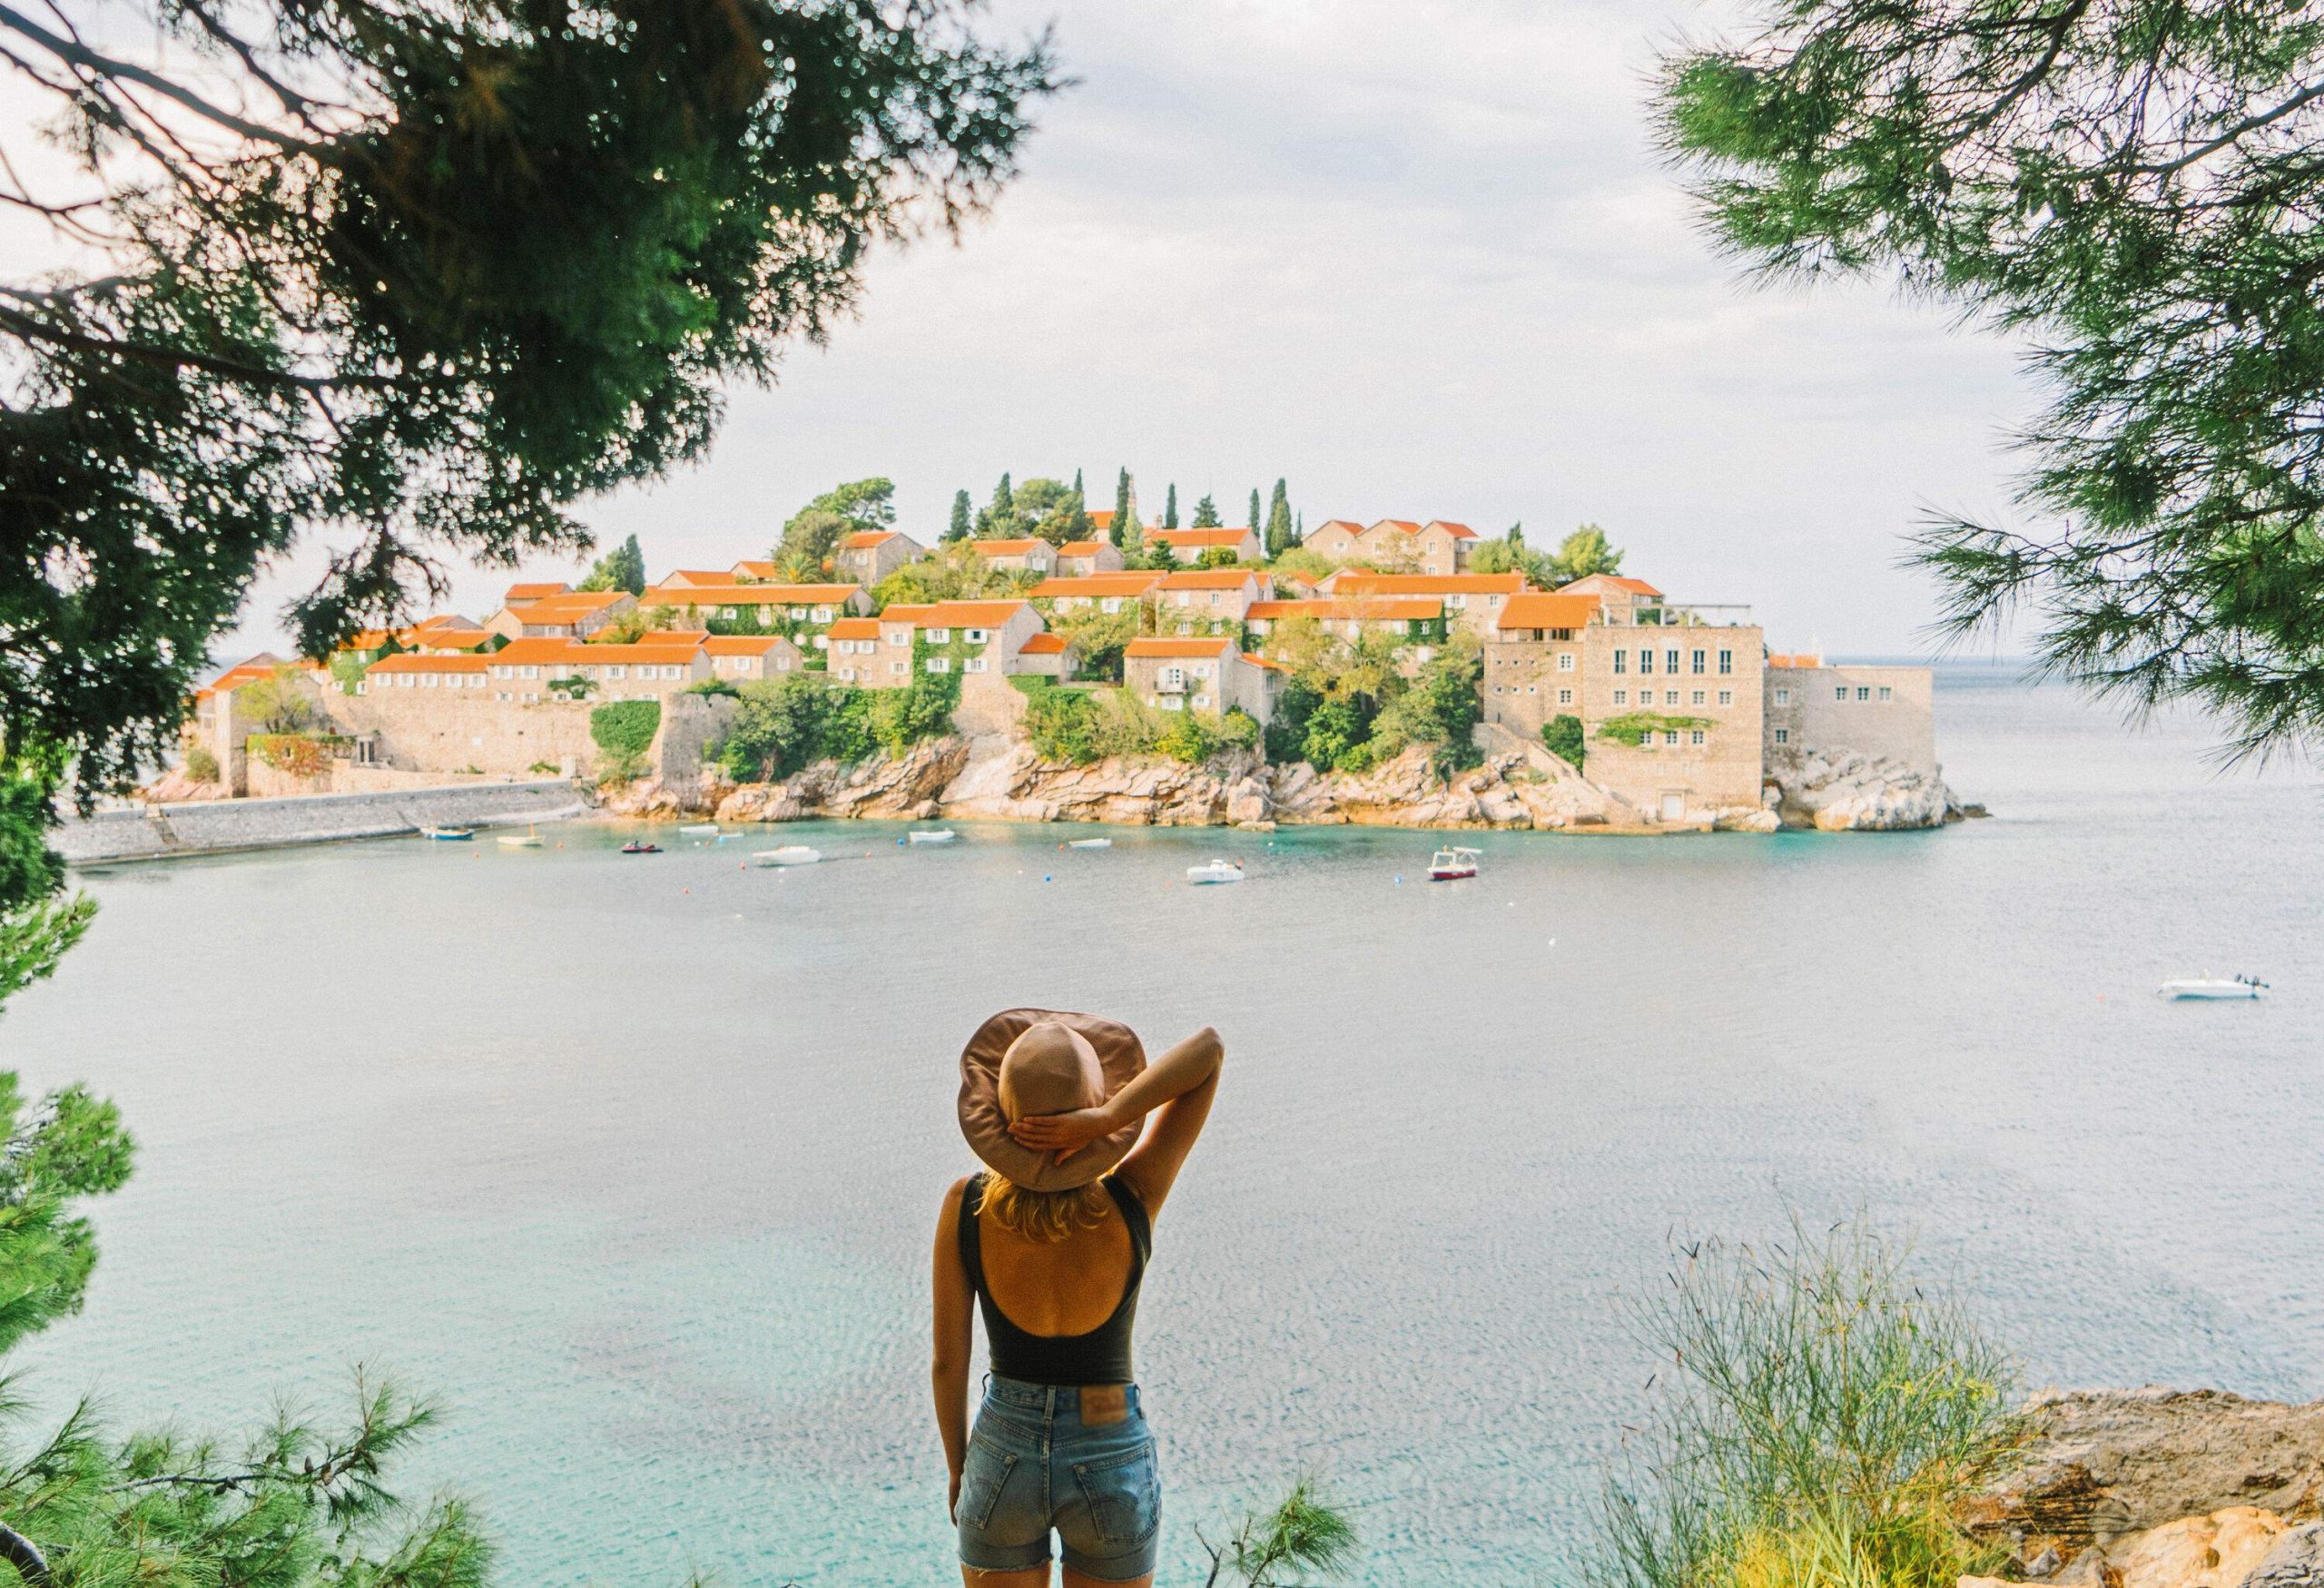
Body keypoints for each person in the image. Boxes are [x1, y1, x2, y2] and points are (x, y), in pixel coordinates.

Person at [933, 1010, 1224, 1586]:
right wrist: (1110, 1117)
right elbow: (1208, 1052)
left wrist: (959, 1469)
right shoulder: (1135, 1195)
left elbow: (948, 1363)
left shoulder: (964, 1206)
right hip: (1107, 1427)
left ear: (1001, 1115)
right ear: (1091, 1112)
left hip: (1004, 1446)